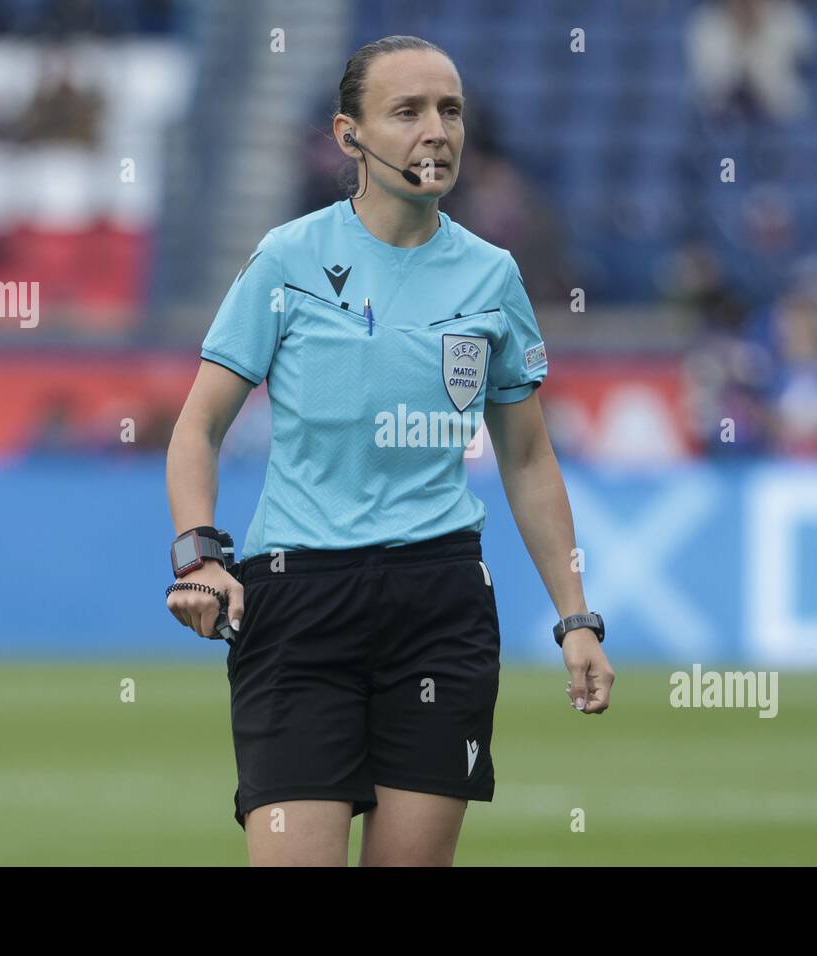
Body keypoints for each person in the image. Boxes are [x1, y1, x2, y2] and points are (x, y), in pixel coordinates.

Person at [163, 35, 613, 866]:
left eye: (449, 111)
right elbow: (198, 427)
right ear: (349, 136)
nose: (435, 131)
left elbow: (526, 459)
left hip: (438, 603)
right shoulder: (287, 259)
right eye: (407, 112)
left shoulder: (493, 275)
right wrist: (199, 556)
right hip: (299, 607)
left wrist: (574, 616)